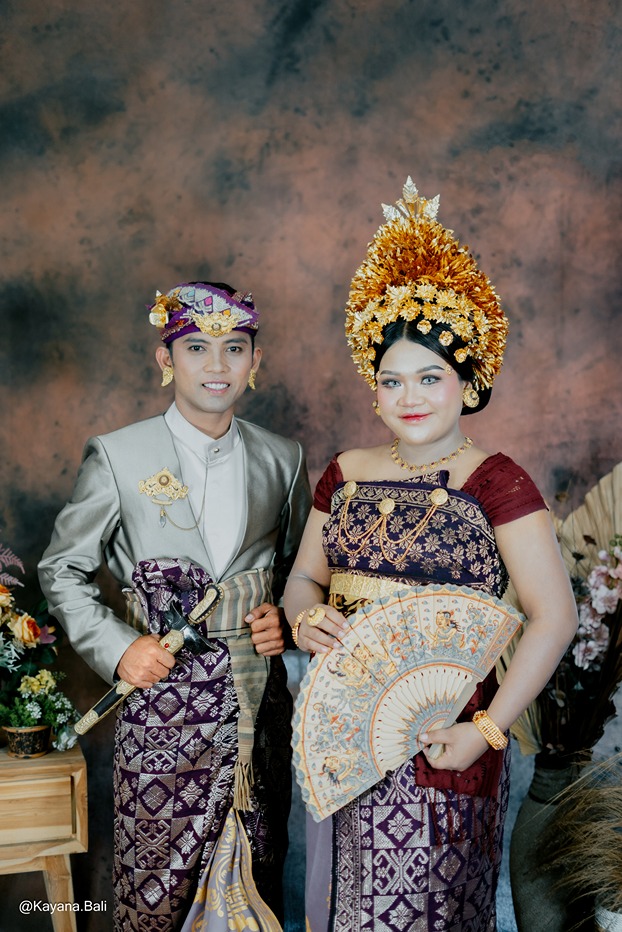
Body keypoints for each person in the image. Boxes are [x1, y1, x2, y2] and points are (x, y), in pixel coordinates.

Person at [283, 179, 578, 931]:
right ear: (374, 389)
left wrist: (488, 729)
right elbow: (304, 578)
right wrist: (304, 617)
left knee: (431, 911)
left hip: (447, 733)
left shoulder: (498, 481)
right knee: (339, 903)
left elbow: (554, 616)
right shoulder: (344, 472)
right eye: (392, 381)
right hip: (344, 730)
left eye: (429, 378)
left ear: (468, 383)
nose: (409, 397)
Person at [39, 281, 311, 931]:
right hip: (161, 706)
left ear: (255, 360)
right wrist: (118, 648)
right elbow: (61, 569)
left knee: (260, 863)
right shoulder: (119, 455)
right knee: (157, 882)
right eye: (196, 348)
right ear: (166, 359)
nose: (217, 365)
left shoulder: (284, 457)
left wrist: (285, 620)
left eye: (234, 348)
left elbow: (301, 572)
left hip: (256, 702)